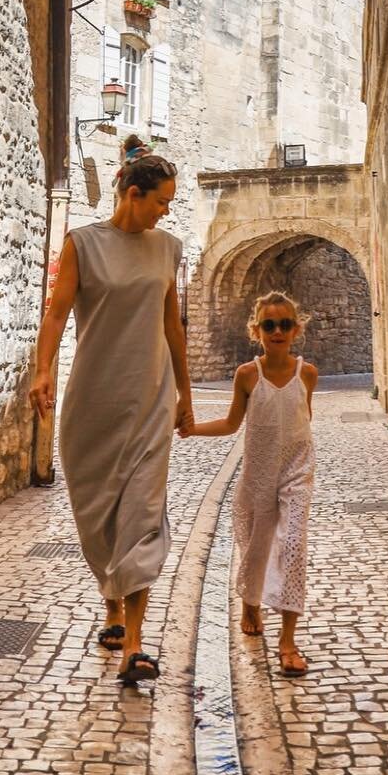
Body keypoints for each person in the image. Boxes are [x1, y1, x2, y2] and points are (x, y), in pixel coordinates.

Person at [29, 139, 193, 687]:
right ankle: (113, 608)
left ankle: (137, 645)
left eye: (169, 204)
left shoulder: (167, 250)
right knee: (99, 519)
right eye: (160, 201)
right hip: (94, 402)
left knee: (143, 518)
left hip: (150, 399)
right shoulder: (82, 244)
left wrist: (186, 396)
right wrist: (44, 369)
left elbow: (174, 330)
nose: (165, 211)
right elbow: (55, 315)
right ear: (130, 193)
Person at [180, 290, 318, 676]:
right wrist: (192, 430)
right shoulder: (246, 375)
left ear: (296, 329)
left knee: (293, 546)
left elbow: (304, 421)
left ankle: (288, 641)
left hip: (296, 473)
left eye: (285, 324)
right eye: (269, 325)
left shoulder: (307, 373)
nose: (278, 331)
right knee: (255, 548)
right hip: (258, 474)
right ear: (256, 330)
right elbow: (230, 424)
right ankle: (250, 603)